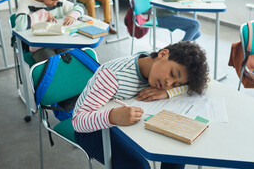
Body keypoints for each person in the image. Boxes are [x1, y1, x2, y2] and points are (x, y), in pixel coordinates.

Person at [73, 41, 209, 169]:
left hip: (127, 125)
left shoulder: (154, 64)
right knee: (138, 166)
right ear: (162, 54)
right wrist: (112, 116)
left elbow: (202, 85)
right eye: (172, 74)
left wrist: (168, 93)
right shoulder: (112, 76)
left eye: (175, 84)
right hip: (92, 131)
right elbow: (78, 121)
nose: (169, 83)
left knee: (177, 152)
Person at [15, 0, 84, 62]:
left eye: (58, 0)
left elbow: (79, 7)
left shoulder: (60, 1)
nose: (55, 3)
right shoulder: (26, 2)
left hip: (61, 42)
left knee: (73, 59)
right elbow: (20, 24)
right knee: (53, 63)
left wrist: (72, 16)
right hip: (40, 47)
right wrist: (43, 14)